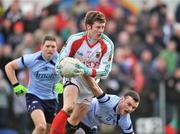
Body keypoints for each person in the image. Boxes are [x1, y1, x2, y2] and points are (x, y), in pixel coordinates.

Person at [51, 10, 114, 134]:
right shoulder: (75, 40)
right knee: (68, 107)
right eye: (97, 27)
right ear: (88, 26)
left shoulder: (107, 45)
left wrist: (86, 70)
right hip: (74, 78)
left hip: (90, 84)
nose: (100, 31)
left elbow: (105, 72)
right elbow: (60, 63)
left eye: (102, 27)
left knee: (73, 122)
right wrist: (63, 71)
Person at [5, 35, 63, 134]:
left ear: (56, 48)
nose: (50, 49)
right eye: (47, 46)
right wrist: (16, 85)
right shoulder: (32, 58)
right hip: (34, 97)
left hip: (52, 99)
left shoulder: (62, 61)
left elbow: (71, 73)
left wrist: (62, 83)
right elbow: (9, 66)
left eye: (53, 47)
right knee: (41, 127)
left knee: (49, 131)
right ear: (41, 47)